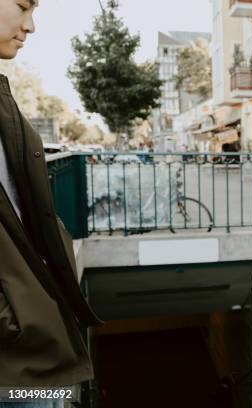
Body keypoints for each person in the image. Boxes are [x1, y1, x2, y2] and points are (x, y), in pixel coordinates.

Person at [0, 1, 103, 406]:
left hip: (31, 341)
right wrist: (17, 321)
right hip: (17, 352)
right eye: (22, 6)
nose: (31, 26)